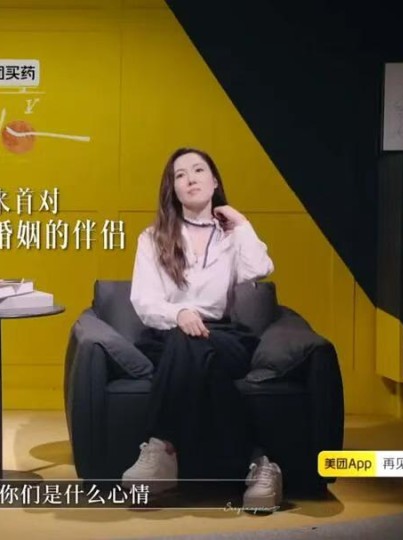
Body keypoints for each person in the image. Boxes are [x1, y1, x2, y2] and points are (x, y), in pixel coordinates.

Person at [122, 147, 282, 510]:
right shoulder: (153, 238)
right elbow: (144, 300)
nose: (190, 179)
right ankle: (260, 463)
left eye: (198, 171)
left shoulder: (231, 236)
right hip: (167, 335)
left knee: (195, 346)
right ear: (173, 189)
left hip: (222, 335)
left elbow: (258, 269)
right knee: (189, 346)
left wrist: (242, 223)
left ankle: (162, 446)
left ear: (214, 182)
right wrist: (179, 313)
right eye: (180, 175)